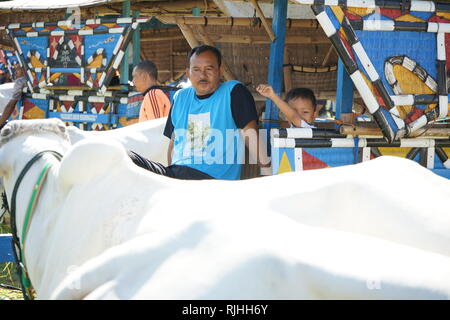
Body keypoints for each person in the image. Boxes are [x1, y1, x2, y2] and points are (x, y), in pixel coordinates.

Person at [128, 45, 271, 180]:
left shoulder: (233, 92)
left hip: (211, 179)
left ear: (220, 71)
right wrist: (170, 178)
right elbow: (173, 145)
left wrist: (266, 172)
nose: (202, 75)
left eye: (209, 69)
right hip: (176, 173)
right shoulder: (180, 97)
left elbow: (251, 135)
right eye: (196, 69)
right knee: (126, 157)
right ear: (188, 73)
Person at [0, 63, 27, 129]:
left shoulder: (20, 82)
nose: (15, 73)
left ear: (25, 71)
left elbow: (11, 106)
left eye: (18, 70)